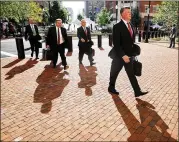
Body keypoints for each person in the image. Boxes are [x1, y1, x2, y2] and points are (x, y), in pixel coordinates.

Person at [108, 7, 148, 97]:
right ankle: (111, 87)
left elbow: (131, 42)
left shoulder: (132, 26)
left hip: (130, 56)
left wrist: (134, 52)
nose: (130, 14)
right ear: (122, 14)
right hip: (119, 56)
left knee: (131, 74)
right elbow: (116, 44)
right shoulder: (117, 27)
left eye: (130, 12)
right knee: (114, 73)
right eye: (128, 12)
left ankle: (137, 91)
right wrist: (123, 55)